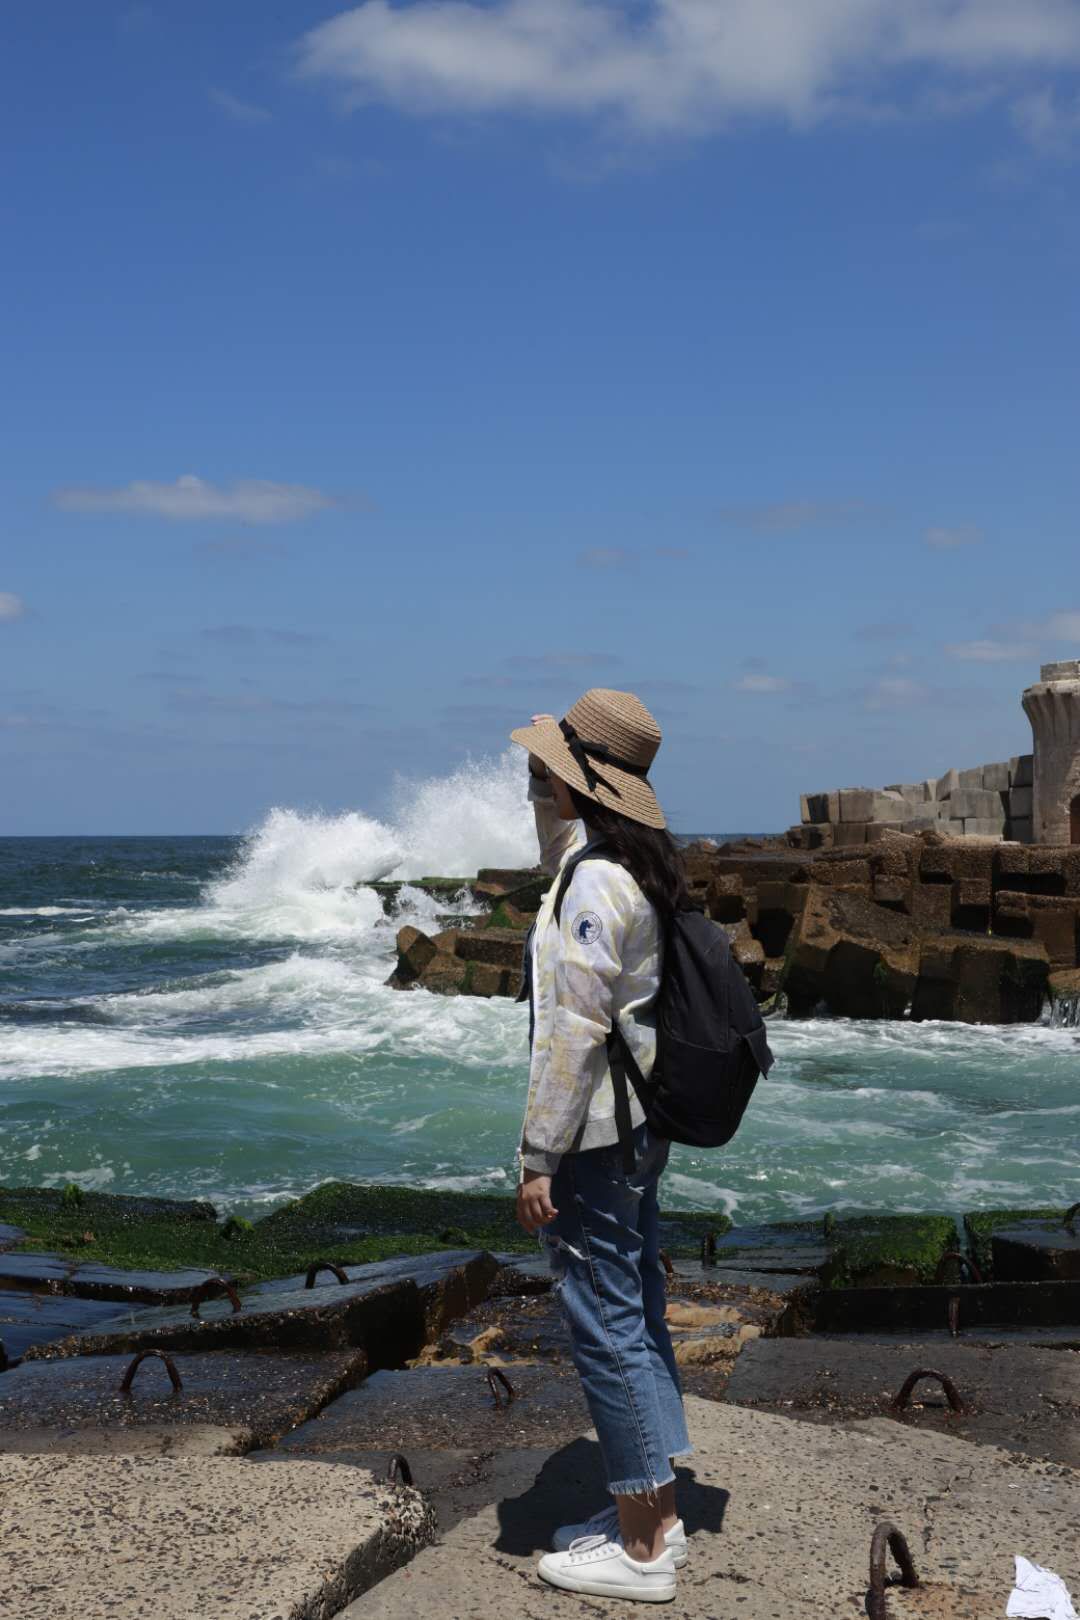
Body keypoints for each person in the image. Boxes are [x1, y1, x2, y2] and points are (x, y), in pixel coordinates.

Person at [509, 689, 692, 1605]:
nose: (533, 782)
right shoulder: (633, 867)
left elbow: (572, 1032)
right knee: (637, 1311)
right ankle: (657, 1512)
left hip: (595, 1137)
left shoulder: (592, 883)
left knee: (605, 1323)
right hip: (637, 1129)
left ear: (577, 785)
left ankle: (642, 1551)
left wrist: (539, 1155)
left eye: (544, 771)